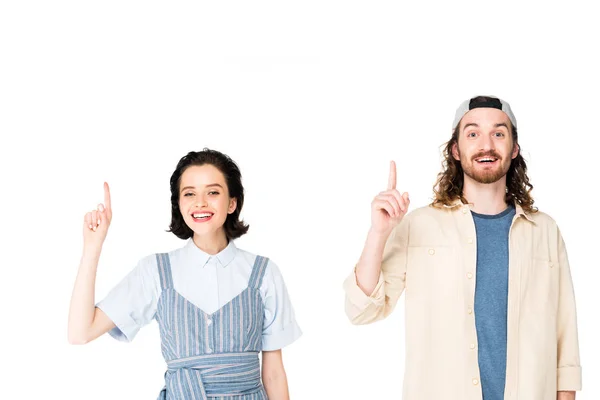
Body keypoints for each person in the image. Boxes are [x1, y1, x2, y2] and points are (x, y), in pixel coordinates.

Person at [343, 96, 582, 400]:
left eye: (498, 133)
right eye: (473, 133)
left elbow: (566, 334)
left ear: (514, 149)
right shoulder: (419, 226)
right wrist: (378, 234)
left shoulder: (545, 231)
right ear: (456, 150)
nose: (487, 144)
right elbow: (361, 310)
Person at [68, 148, 302, 399]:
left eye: (213, 192)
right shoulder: (155, 272)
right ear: (179, 204)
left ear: (232, 203)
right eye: (189, 193)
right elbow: (81, 333)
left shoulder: (264, 273)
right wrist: (93, 247)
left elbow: (274, 373)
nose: (200, 202)